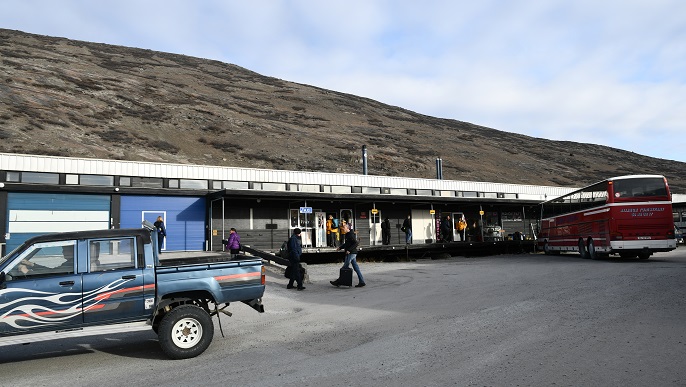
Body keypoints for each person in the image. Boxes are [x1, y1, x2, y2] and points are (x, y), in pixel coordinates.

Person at [330, 222, 365, 287]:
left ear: (348, 228)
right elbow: (347, 244)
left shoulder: (351, 235)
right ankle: (362, 281)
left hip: (351, 253)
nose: (343, 228)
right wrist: (340, 247)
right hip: (352, 253)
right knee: (356, 268)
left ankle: (339, 281)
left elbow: (356, 243)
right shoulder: (348, 234)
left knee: (344, 267)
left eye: (344, 227)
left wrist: (349, 250)